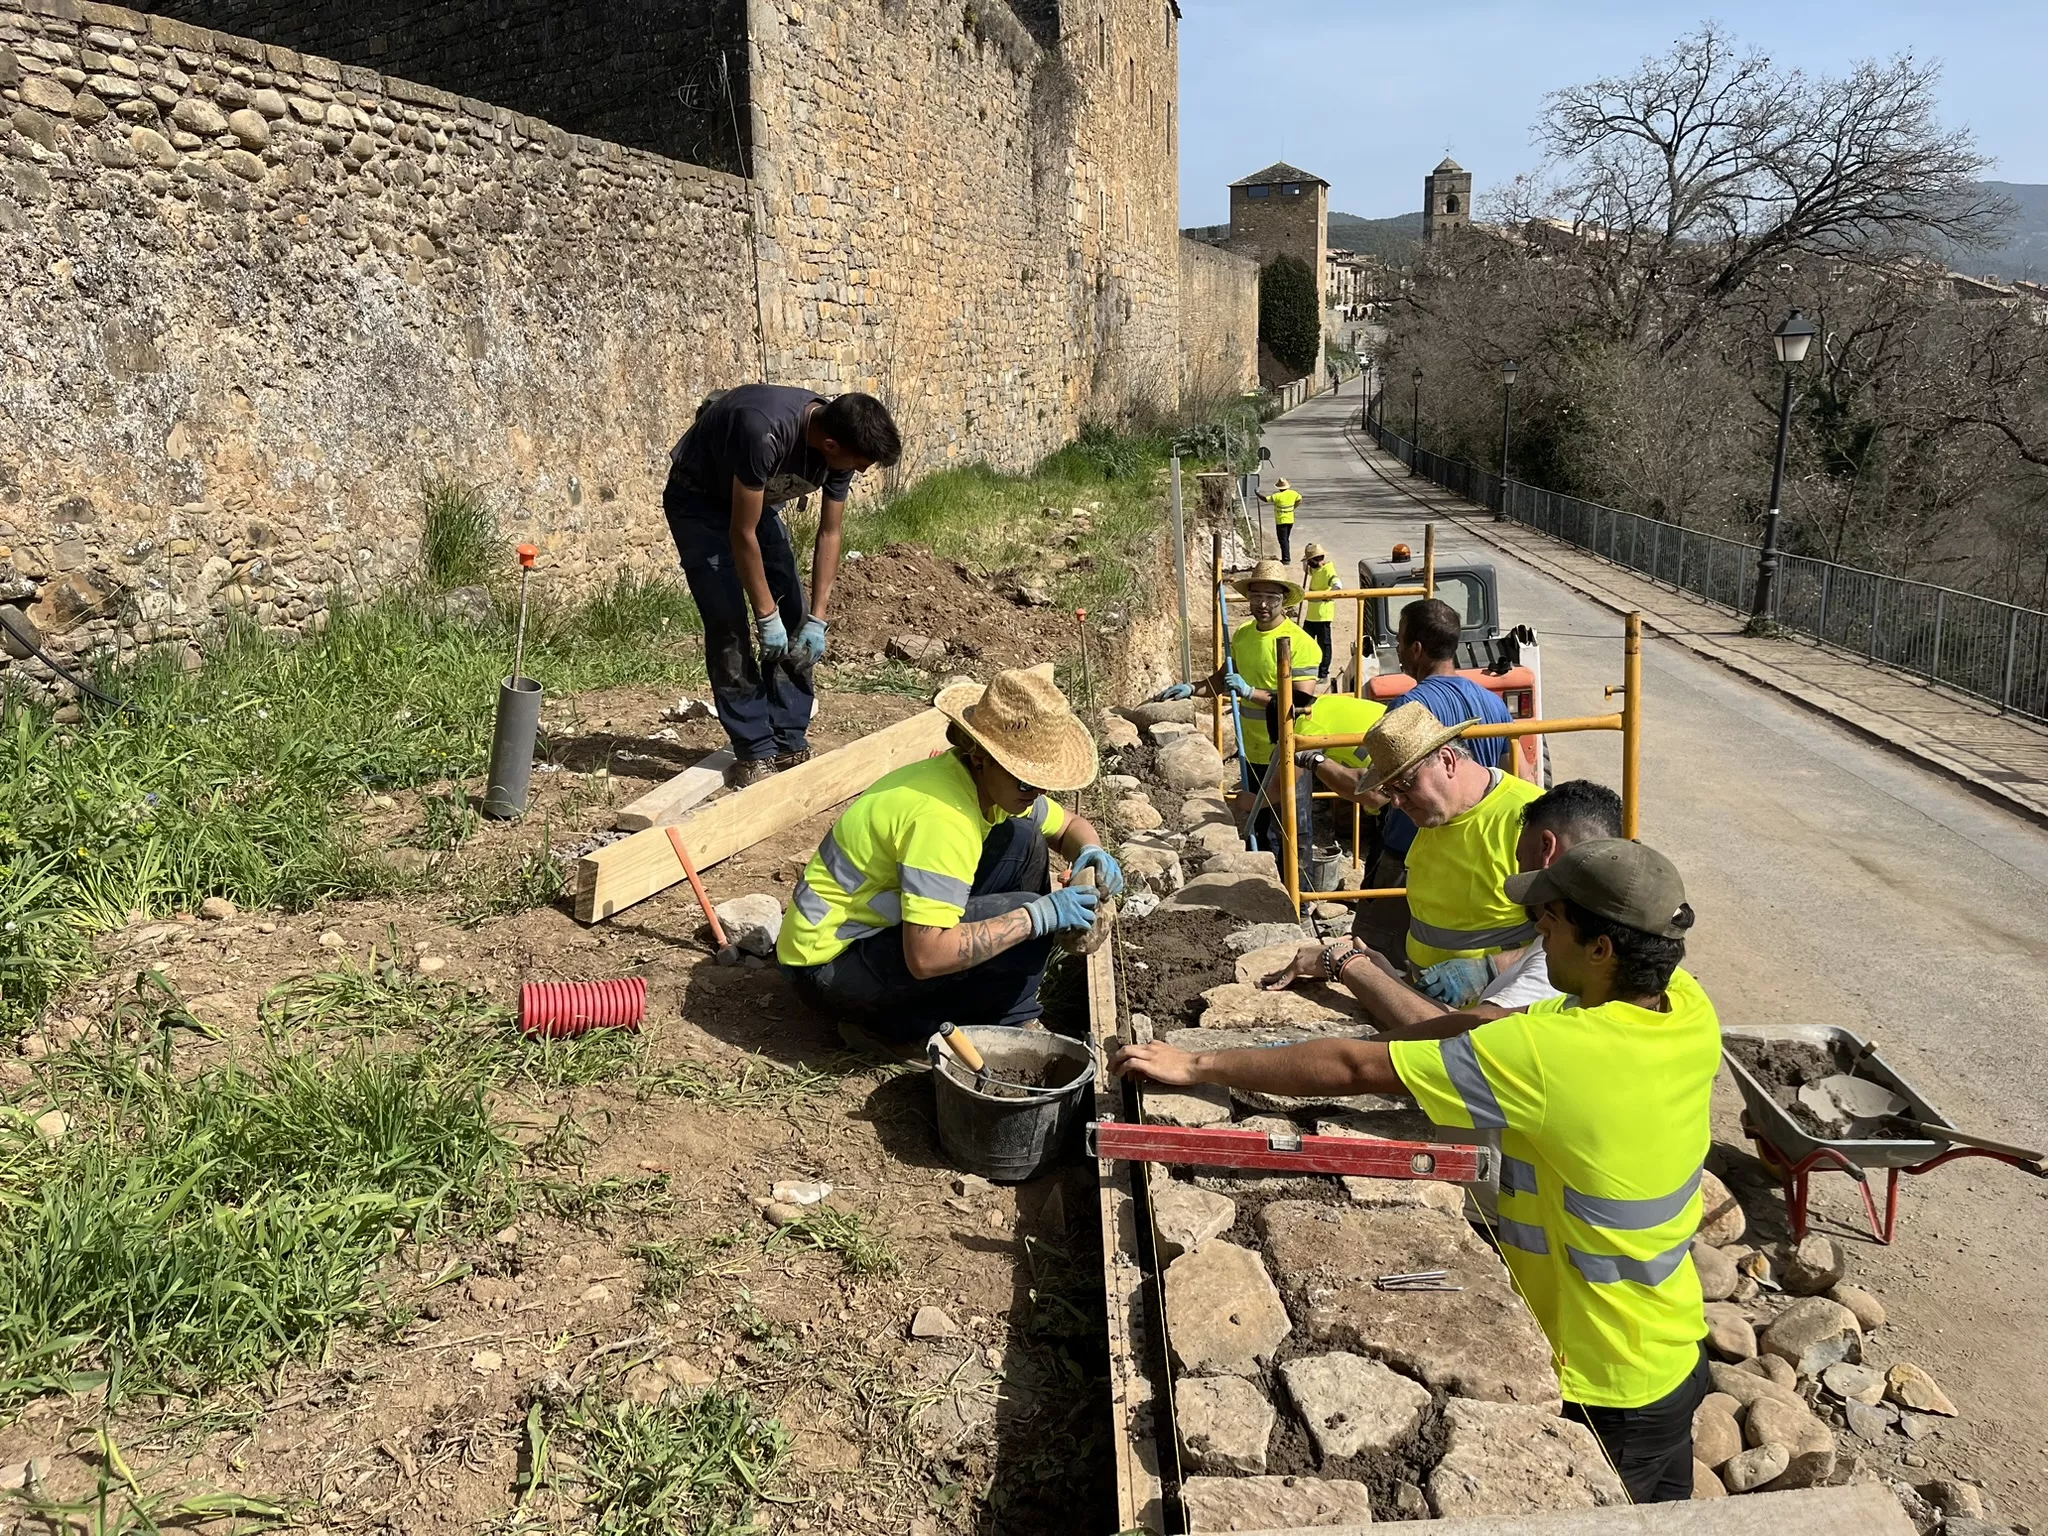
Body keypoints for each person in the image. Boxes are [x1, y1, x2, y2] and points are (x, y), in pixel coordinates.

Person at [1113, 838, 1719, 1505]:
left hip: (1605, 1380)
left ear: (1602, 948)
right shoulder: (1684, 1008)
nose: (1539, 933)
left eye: (1553, 921)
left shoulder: (1560, 1058)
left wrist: (1200, 1066)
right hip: (1672, 1348)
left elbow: (1353, 1070)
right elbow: (1469, 1033)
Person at [776, 666, 1122, 1056]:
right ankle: (900, 1031)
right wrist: (1035, 918)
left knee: (1024, 840)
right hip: (829, 968)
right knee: (1023, 916)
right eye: (1025, 781)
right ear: (980, 757)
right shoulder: (944, 819)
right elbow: (924, 957)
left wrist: (1091, 852)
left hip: (868, 932)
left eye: (1041, 781)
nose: (1036, 792)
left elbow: (1069, 826)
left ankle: (1008, 1004)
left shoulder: (982, 782)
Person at [664, 386, 902, 789]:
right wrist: (764, 614)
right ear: (829, 444)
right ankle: (755, 748)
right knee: (728, 622)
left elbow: (830, 532)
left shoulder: (839, 442)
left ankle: (788, 738)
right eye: (858, 465)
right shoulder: (764, 431)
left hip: (753, 503)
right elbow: (742, 534)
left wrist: (818, 618)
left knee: (793, 608)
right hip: (698, 500)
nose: (858, 472)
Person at [1262, 779, 1624, 1031]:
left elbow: (1460, 1039)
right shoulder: (1584, 932)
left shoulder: (1568, 960)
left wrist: (1346, 965)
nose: (1398, 802)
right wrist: (1390, 978)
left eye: (1522, 859)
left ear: (1546, 850)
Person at [1349, 702, 1543, 1008]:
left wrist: (1490, 970)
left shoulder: (1530, 816)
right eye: (1389, 791)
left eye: (1405, 785)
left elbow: (1574, 937)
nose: (1397, 802)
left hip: (1500, 1016)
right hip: (1437, 1009)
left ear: (1448, 760)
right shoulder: (1433, 814)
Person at [1357, 597, 1514, 961]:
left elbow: (1377, 795)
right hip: (1473, 855)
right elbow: (1506, 773)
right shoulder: (1492, 704)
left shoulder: (1409, 710)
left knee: (1379, 951)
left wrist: (1316, 761)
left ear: (1416, 649)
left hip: (1412, 854)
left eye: (1399, 643)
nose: (1397, 651)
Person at [1151, 561, 1321, 850]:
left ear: (1284, 601)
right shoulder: (1243, 635)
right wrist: (1192, 688)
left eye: (1272, 598)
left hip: (1287, 750)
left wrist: (1250, 691)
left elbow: (1297, 702)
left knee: (1293, 831)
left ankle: (1297, 893)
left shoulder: (1301, 644)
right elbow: (1222, 680)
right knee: (1260, 824)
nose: (1263, 604)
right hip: (1252, 749)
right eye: (1257, 597)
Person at [1299, 543, 1338, 681]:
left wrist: (1328, 596)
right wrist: (1306, 558)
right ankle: (1308, 667)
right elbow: (1306, 571)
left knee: (1324, 644)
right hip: (1311, 614)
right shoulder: (1315, 569)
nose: (1308, 564)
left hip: (1323, 614)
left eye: (1310, 561)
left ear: (1316, 560)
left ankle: (1323, 673)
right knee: (1305, 641)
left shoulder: (1328, 569)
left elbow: (1337, 584)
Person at [1257, 477, 1301, 562]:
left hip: (1281, 521)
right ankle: (1286, 556)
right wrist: (1294, 507)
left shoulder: (1277, 496)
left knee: (1283, 540)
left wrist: (1257, 494)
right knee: (1286, 539)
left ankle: (1286, 558)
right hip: (1290, 520)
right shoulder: (1294, 493)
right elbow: (1299, 499)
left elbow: (1265, 499)